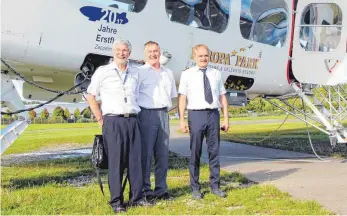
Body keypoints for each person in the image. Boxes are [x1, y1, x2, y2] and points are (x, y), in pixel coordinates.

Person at [85, 39, 151, 213]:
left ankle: (136, 198)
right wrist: (100, 117)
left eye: (125, 50)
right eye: (119, 50)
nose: (122, 53)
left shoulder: (135, 72)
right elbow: (91, 95)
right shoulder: (103, 71)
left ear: (129, 52)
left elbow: (135, 96)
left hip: (132, 120)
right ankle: (117, 202)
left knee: (135, 162)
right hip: (113, 121)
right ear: (113, 52)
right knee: (116, 163)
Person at [178, 44, 229, 199]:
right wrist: (182, 120)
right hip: (196, 115)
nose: (203, 58)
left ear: (209, 56)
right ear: (194, 57)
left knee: (214, 152)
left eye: (206, 55)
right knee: (195, 152)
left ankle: (215, 186)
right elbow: (182, 98)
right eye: (200, 56)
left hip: (213, 115)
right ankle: (195, 188)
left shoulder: (216, 74)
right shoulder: (187, 74)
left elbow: (222, 96)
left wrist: (226, 117)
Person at [138, 41, 178, 201]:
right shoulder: (139, 72)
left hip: (163, 114)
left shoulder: (167, 72)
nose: (153, 54)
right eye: (150, 51)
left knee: (162, 154)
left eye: (156, 51)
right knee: (146, 155)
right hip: (146, 114)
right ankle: (145, 191)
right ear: (145, 53)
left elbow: (172, 96)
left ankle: (161, 190)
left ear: (160, 52)